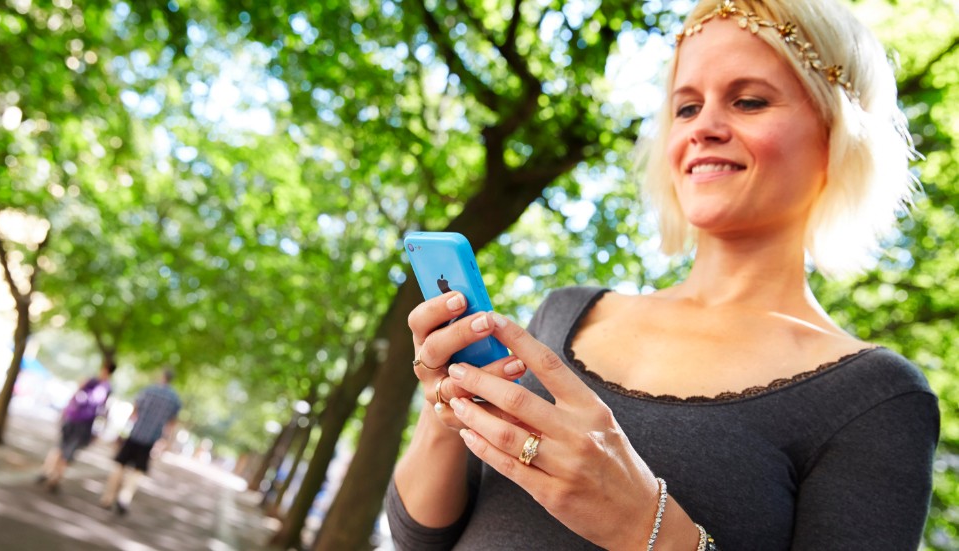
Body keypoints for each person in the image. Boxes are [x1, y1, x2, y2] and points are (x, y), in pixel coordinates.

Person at [387, 1, 940, 549]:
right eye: (686, 108)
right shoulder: (562, 313)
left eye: (748, 101)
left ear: (835, 134)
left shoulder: (877, 398)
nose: (705, 128)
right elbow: (419, 540)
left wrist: (644, 526)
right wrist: (450, 412)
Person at [100, 368, 182, 515]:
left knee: (120, 465)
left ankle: (108, 497)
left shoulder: (148, 390)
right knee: (137, 471)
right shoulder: (174, 399)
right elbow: (171, 424)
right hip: (150, 440)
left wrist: (123, 430)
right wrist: (165, 442)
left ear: (162, 376)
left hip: (135, 434)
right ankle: (124, 498)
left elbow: (134, 412)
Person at [37, 359, 116, 492]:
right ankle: (55, 477)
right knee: (68, 451)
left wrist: (65, 411)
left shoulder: (92, 381)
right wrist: (100, 430)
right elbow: (103, 409)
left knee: (61, 447)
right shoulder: (107, 387)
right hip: (84, 423)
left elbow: (75, 395)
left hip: (74, 417)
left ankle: (48, 471)